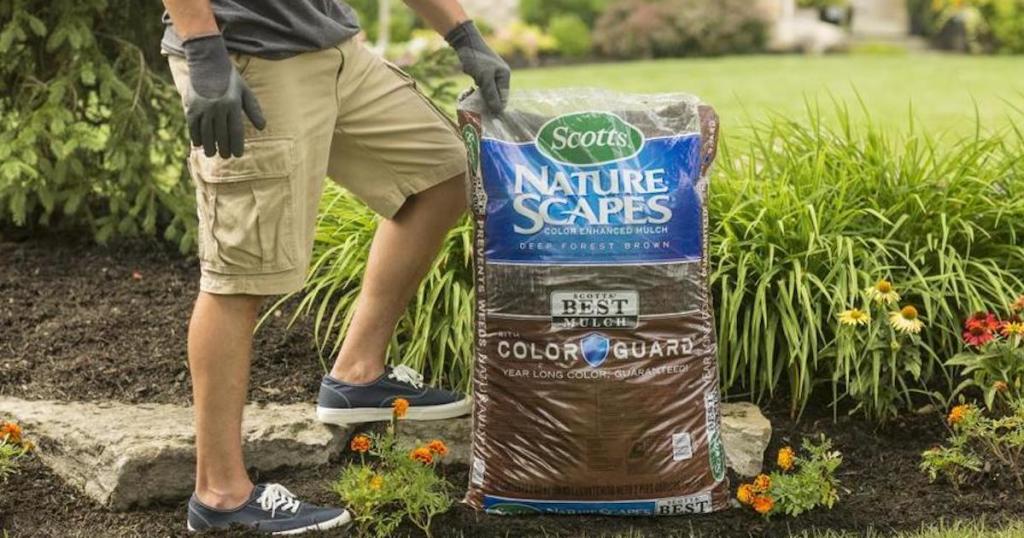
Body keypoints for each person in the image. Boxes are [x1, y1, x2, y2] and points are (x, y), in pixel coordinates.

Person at [160, 0, 510, 533]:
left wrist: (464, 36)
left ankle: (358, 374)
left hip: (335, 49)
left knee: (443, 173)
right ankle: (220, 493)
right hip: (250, 55)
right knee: (241, 273)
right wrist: (204, 48)